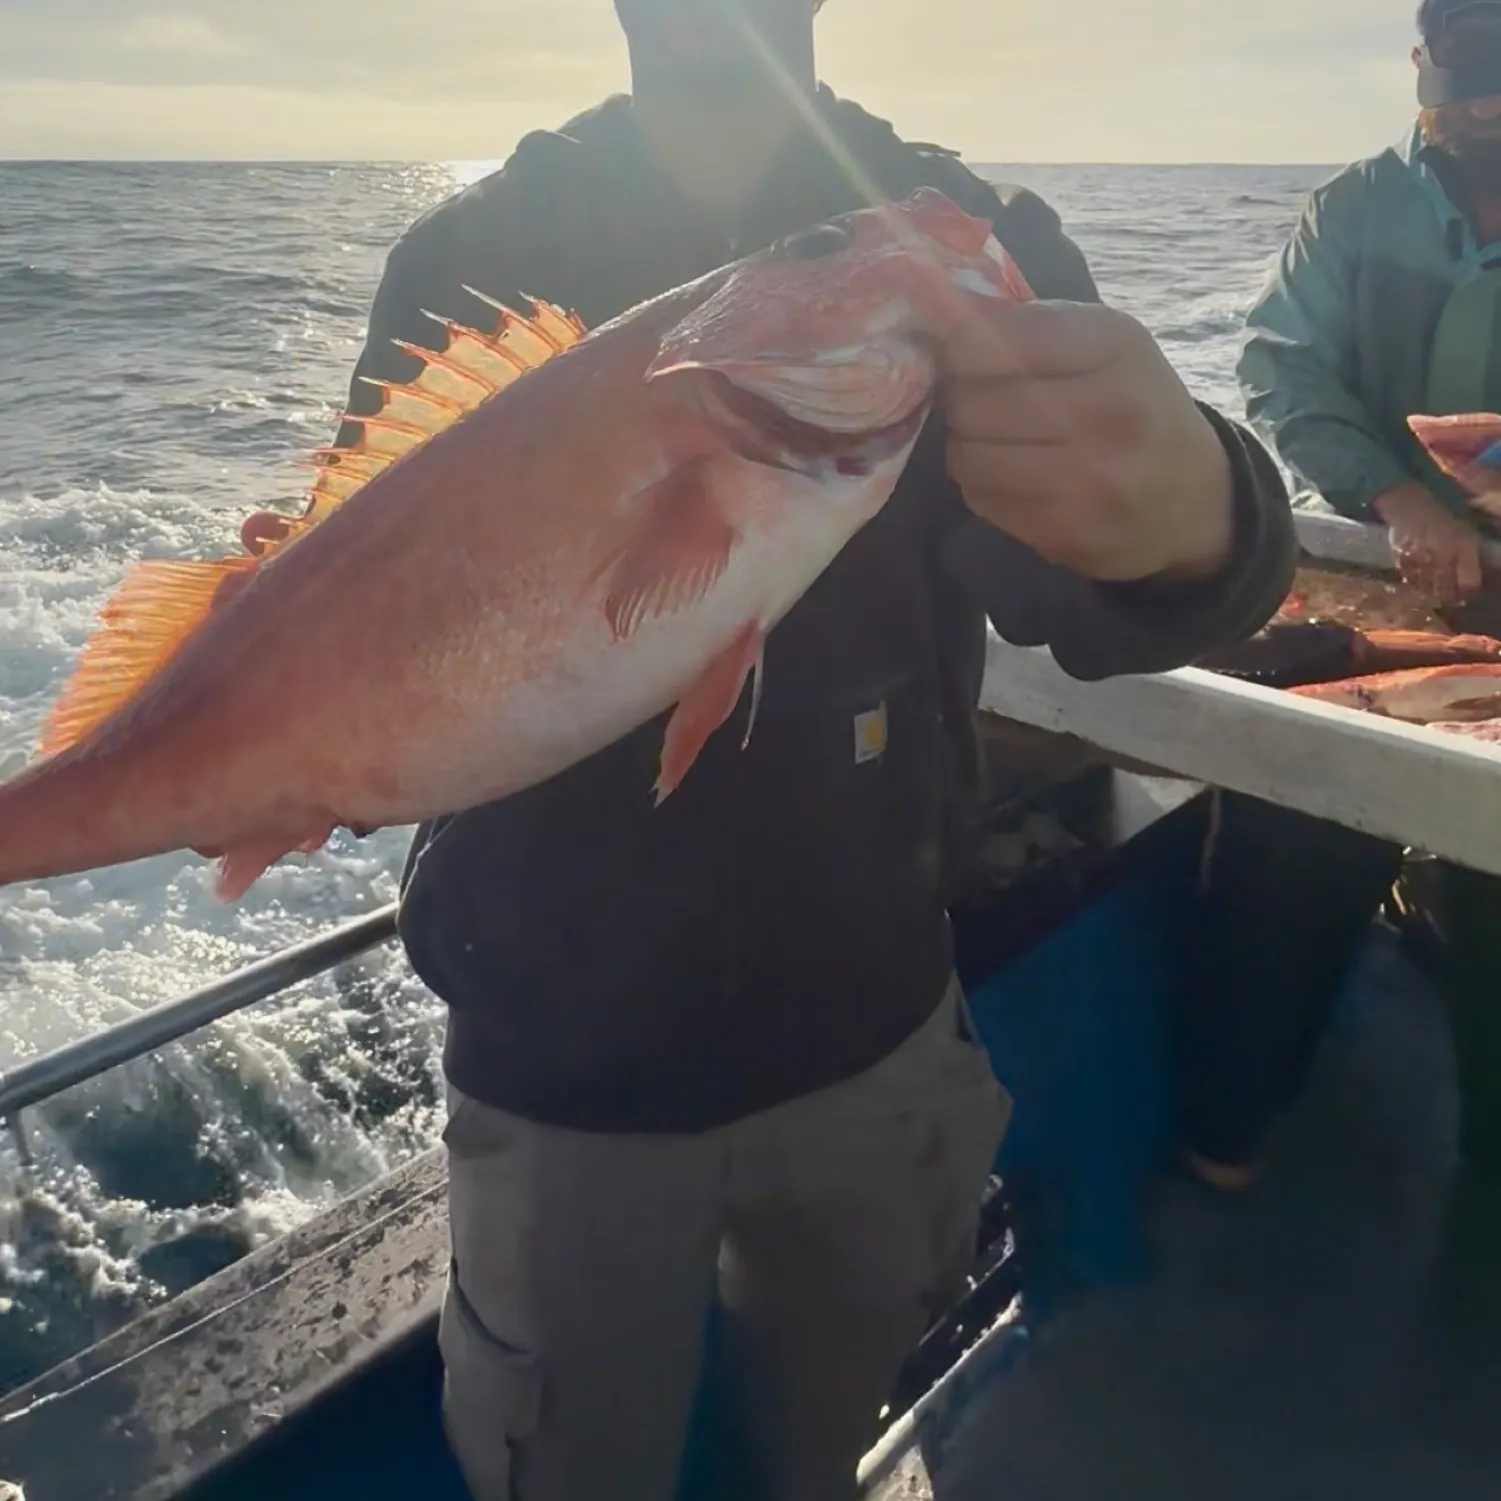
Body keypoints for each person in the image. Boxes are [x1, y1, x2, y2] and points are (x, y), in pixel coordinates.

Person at [331, 2, 1296, 1496]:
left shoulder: (960, 238)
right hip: (554, 1063)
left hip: (876, 1021)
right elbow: (350, 623)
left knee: (819, 1446)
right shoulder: (466, 255)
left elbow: (1110, 591)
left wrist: (1208, 511)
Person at [1193, 0, 1501, 1193]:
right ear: (1420, 69)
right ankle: (1227, 1135)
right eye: (1466, 80)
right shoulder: (1353, 208)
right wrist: (1394, 496)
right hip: (1392, 576)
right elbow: (1280, 361)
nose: (1486, 110)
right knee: (1291, 826)